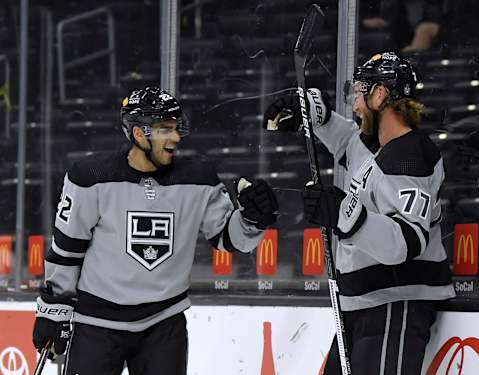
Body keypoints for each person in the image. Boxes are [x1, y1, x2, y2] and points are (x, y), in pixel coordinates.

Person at [32, 86, 279, 375]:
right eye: (165, 129)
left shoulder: (198, 178)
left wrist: (252, 219)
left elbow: (226, 238)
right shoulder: (91, 177)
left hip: (163, 324)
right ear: (139, 134)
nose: (176, 137)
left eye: (176, 128)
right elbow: (66, 248)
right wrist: (54, 308)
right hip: (96, 323)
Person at [263, 52, 455, 374]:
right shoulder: (377, 144)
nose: (354, 104)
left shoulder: (410, 157)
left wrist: (344, 216)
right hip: (363, 304)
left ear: (379, 95)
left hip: (395, 302)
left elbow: (407, 242)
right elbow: (349, 145)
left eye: (359, 93)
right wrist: (316, 115)